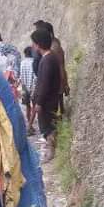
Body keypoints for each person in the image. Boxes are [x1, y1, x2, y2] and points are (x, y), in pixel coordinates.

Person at [29, 27, 62, 161]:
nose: (32, 46)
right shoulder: (50, 58)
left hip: (47, 102)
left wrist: (39, 102)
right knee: (48, 127)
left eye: (33, 43)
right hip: (49, 100)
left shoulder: (47, 60)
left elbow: (44, 83)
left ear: (38, 44)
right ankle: (50, 153)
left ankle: (50, 154)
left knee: (48, 128)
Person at [19, 47, 36, 118]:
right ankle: (31, 122)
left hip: (24, 88)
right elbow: (35, 77)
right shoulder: (34, 62)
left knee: (27, 106)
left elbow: (21, 75)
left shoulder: (22, 63)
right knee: (34, 106)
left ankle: (29, 121)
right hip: (33, 87)